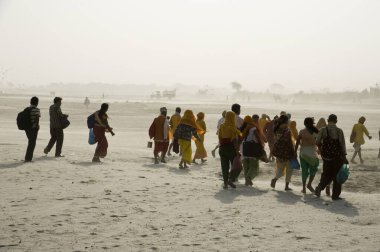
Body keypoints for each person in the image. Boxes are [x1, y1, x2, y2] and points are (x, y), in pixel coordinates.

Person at [314, 114, 348, 200]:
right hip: (337, 157)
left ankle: (320, 187)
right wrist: (344, 157)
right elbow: (342, 144)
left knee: (326, 173)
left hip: (326, 157)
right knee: (337, 175)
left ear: (328, 120)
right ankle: (335, 195)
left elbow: (317, 141)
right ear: (336, 121)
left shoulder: (323, 130)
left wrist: (321, 150)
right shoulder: (339, 131)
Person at [271, 115, 295, 191]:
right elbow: (289, 142)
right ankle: (286, 186)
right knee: (289, 169)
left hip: (279, 151)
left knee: (280, 168)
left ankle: (275, 179)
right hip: (287, 151)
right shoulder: (286, 129)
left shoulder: (276, 128)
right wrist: (293, 151)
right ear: (286, 121)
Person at [295, 117, 319, 193]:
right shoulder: (316, 131)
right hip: (313, 153)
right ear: (312, 123)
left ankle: (304, 188)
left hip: (303, 153)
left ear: (305, 124)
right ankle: (309, 184)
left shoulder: (302, 131)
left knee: (304, 171)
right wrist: (320, 150)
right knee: (313, 170)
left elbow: (297, 142)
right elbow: (319, 142)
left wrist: (295, 152)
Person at [241, 116, 265, 186]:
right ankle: (248, 178)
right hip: (253, 148)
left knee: (246, 166)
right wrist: (261, 146)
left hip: (244, 148)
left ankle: (247, 181)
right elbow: (258, 138)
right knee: (254, 166)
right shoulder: (254, 129)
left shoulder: (245, 128)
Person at [218, 111, 241, 189]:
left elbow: (220, 137)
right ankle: (231, 179)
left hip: (222, 148)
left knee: (224, 167)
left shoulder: (221, 126)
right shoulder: (233, 127)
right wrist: (237, 151)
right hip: (231, 148)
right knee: (237, 167)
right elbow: (234, 140)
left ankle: (225, 183)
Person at [316, 117, 331, 195]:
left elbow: (317, 141)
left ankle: (323, 185)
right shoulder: (327, 129)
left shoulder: (319, 130)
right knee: (329, 171)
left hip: (323, 152)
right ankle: (327, 186)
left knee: (325, 170)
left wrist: (319, 149)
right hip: (330, 152)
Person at [24, 96, 41, 162]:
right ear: (37, 102)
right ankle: (28, 158)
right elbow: (37, 118)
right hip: (33, 128)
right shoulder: (36, 109)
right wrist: (37, 125)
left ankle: (28, 157)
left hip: (26, 128)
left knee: (30, 142)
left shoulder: (27, 109)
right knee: (32, 143)